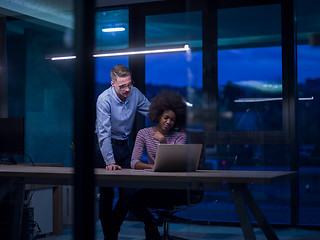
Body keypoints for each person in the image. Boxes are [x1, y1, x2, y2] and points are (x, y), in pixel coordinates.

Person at [95, 64, 150, 240]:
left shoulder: (134, 93)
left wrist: (169, 118)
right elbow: (103, 133)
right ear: (112, 83)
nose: (127, 89)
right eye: (122, 86)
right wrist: (109, 161)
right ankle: (110, 237)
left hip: (124, 145)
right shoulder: (104, 99)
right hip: (104, 147)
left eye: (129, 84)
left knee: (129, 194)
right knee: (107, 195)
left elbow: (152, 111)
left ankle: (112, 232)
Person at [130, 90, 189, 240]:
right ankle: (151, 223)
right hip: (154, 186)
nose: (168, 122)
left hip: (175, 188)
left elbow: (175, 162)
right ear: (158, 115)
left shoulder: (181, 136)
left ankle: (153, 227)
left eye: (173, 120)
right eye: (166, 117)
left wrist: (162, 141)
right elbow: (134, 162)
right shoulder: (143, 133)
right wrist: (152, 167)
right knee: (131, 201)